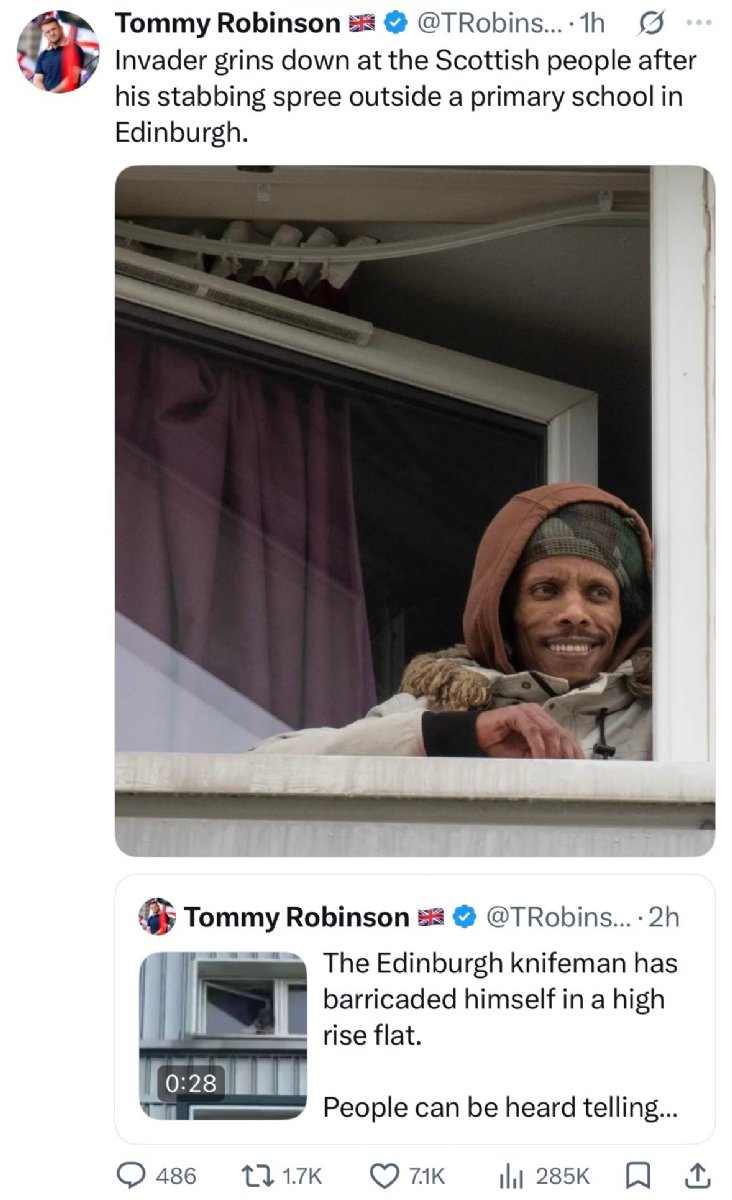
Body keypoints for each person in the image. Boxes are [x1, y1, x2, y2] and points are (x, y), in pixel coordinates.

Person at [250, 483, 653, 760]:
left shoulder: (666, 713)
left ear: (625, 616)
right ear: (503, 611)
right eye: (546, 590)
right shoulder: (444, 708)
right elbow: (263, 765)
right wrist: (461, 734)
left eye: (599, 594)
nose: (575, 613)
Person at [32, 16, 84, 93]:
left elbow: (72, 78)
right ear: (45, 35)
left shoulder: (74, 50)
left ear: (61, 29)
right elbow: (37, 80)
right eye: (48, 32)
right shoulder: (43, 55)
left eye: (53, 29)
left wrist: (53, 92)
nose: (51, 33)